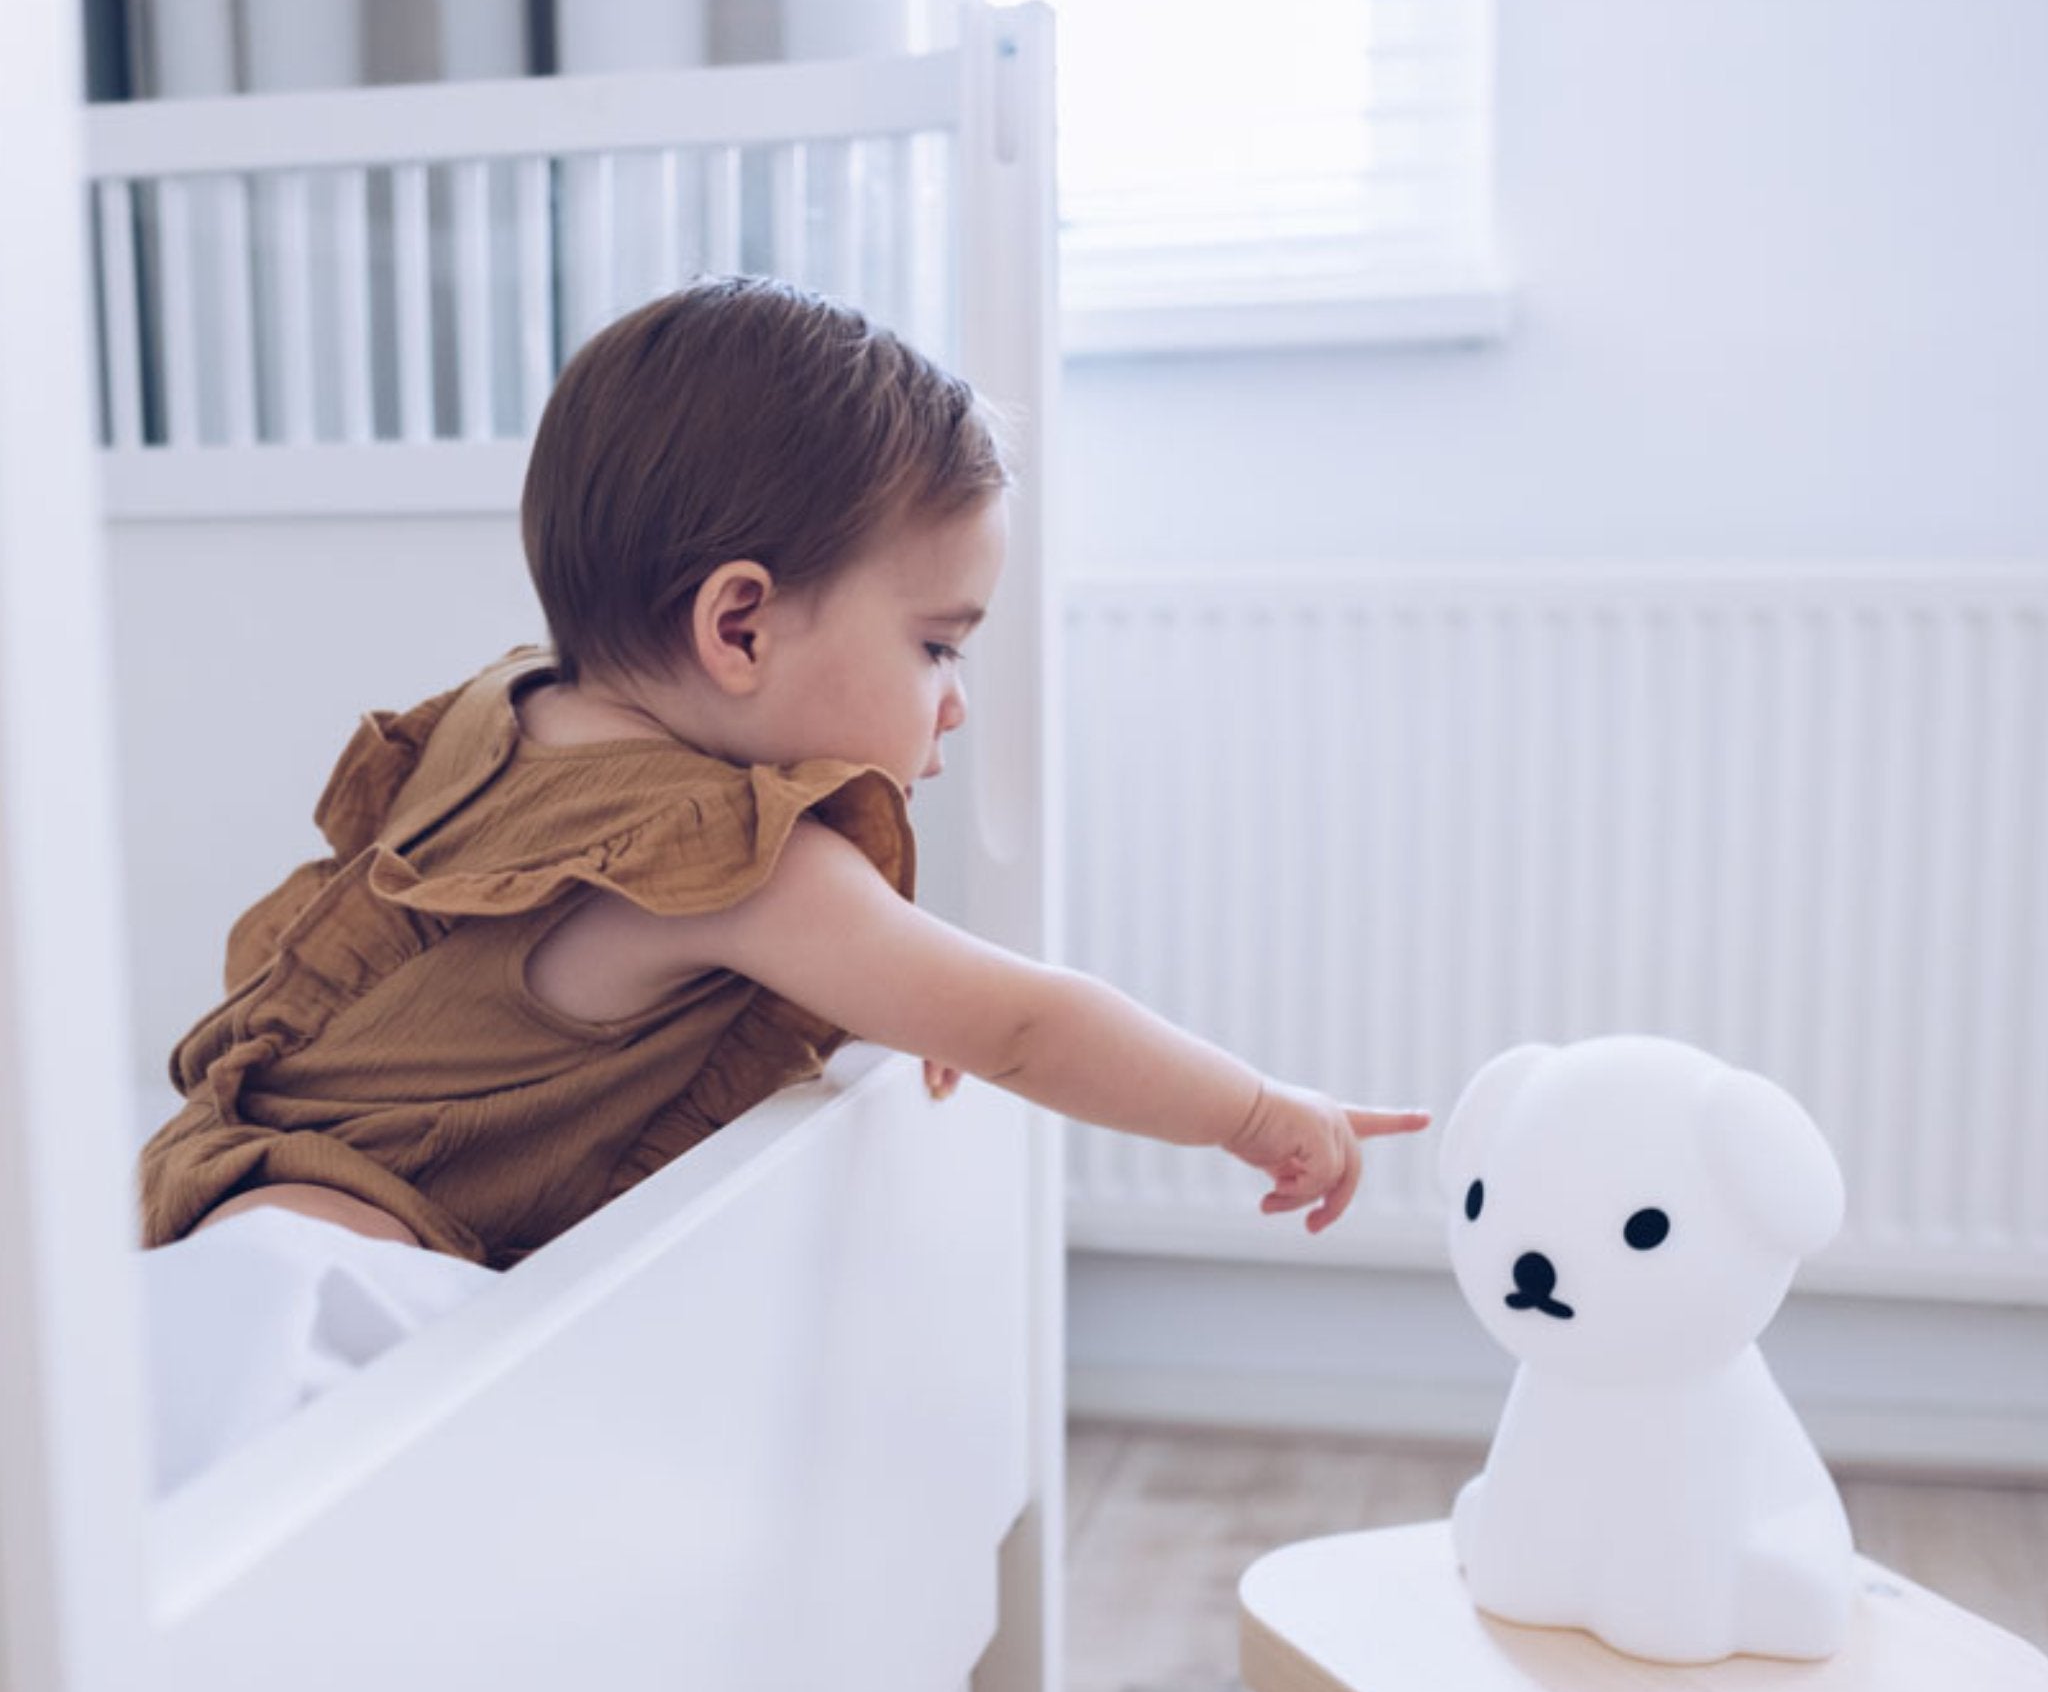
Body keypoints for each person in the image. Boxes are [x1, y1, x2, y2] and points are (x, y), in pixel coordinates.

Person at [140, 277, 1426, 1270]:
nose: (955, 699)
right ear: (740, 626)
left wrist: (890, 999)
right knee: (309, 1346)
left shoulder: (514, 704)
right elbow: (1026, 1025)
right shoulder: (731, 856)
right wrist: (1252, 1108)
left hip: (237, 1162)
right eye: (935, 646)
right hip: (325, 1222)